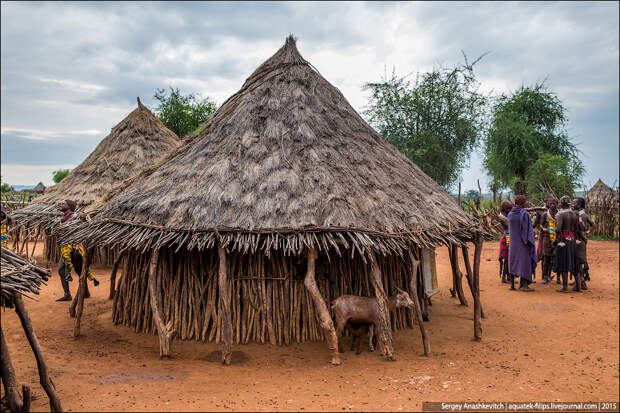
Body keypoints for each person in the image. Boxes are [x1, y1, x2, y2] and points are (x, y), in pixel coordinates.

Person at [56, 199, 99, 302]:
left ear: (69, 206)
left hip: (74, 249)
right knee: (63, 270)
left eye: (63, 203)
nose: (61, 204)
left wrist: (78, 246)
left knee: (78, 270)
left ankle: (83, 292)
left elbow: (80, 231)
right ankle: (69, 294)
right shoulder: (64, 218)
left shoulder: (74, 217)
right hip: (66, 249)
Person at [508, 195, 537, 291]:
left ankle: (512, 285)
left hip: (512, 244)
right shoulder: (524, 214)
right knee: (525, 262)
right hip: (522, 243)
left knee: (512, 262)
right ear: (523, 203)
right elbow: (527, 230)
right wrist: (529, 241)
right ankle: (524, 285)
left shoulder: (510, 214)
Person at [554, 196, 581, 293]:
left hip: (563, 240)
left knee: (564, 262)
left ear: (562, 204)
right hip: (572, 239)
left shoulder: (561, 214)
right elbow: (577, 227)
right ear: (569, 204)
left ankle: (565, 287)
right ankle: (579, 286)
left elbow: (558, 228)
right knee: (574, 262)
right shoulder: (574, 214)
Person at [572, 197, 596, 290]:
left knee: (577, 262)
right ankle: (581, 282)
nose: (572, 204)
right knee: (579, 262)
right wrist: (588, 233)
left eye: (574, 203)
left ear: (580, 205)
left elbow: (582, 228)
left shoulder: (580, 216)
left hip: (578, 240)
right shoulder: (583, 215)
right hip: (581, 240)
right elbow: (593, 225)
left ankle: (581, 280)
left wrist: (586, 233)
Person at [538, 196, 558, 284]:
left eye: (554, 204)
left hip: (557, 238)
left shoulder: (559, 214)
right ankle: (545, 277)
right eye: (551, 204)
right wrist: (544, 229)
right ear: (548, 205)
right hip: (547, 238)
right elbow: (541, 225)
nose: (552, 205)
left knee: (556, 258)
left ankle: (558, 278)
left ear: (557, 204)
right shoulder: (545, 214)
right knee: (546, 258)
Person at [497, 201, 513, 284]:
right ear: (504, 209)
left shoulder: (506, 215)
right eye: (508, 208)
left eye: (510, 208)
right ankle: (504, 277)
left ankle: (509, 277)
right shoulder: (501, 217)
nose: (509, 210)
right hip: (506, 238)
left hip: (509, 237)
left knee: (509, 259)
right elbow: (509, 225)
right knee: (507, 259)